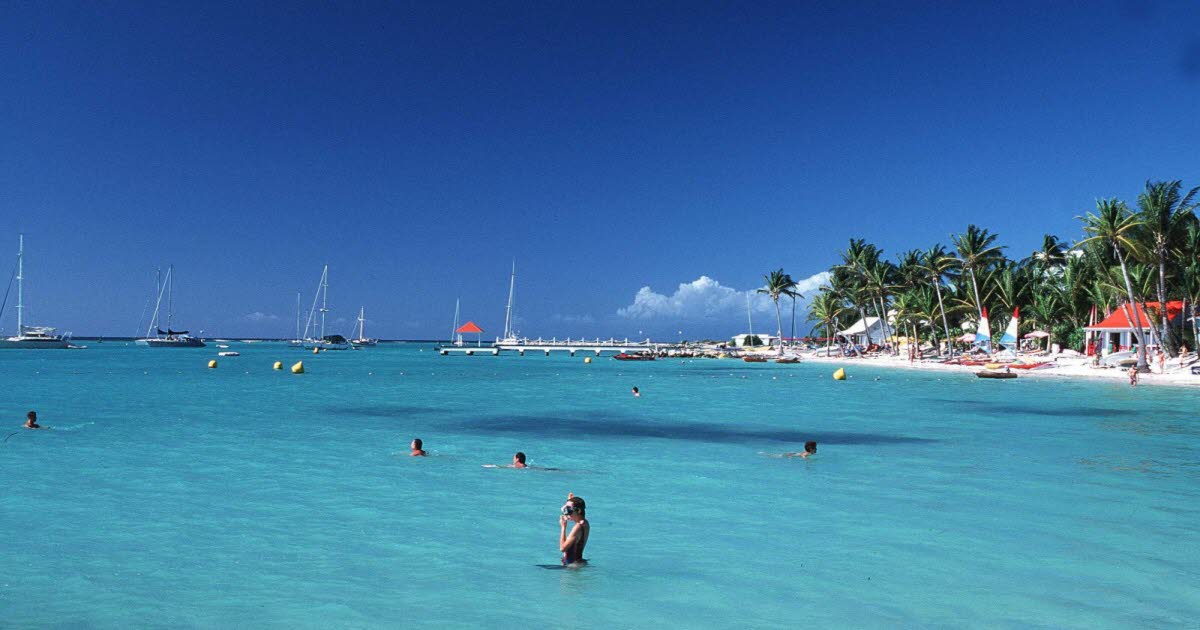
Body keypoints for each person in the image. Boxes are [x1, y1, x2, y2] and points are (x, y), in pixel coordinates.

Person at [559, 493, 589, 567]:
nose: (566, 513)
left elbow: (562, 548)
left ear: (578, 511)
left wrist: (563, 527)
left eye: (568, 510)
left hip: (571, 565)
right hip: (578, 562)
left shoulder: (577, 527)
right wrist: (569, 500)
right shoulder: (585, 523)